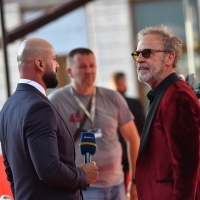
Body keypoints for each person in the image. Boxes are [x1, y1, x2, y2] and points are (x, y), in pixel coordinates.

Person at [0, 38, 98, 200]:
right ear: (40, 64)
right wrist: (82, 175)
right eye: (53, 59)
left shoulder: (8, 107)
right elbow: (50, 169)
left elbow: (11, 171)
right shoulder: (38, 108)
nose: (57, 65)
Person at [48, 48, 140, 200]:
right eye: (83, 67)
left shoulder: (113, 97)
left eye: (92, 65)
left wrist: (135, 180)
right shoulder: (56, 101)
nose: (89, 70)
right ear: (70, 71)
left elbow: (133, 138)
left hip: (117, 185)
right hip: (82, 188)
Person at [131, 25, 200, 200]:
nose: (139, 59)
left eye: (147, 53)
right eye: (136, 54)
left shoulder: (177, 96)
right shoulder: (165, 93)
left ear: (170, 58)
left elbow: (187, 166)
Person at [111, 72, 145, 193]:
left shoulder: (110, 104)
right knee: (136, 185)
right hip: (134, 149)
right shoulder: (134, 102)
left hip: (116, 151)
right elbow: (143, 126)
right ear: (121, 83)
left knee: (119, 187)